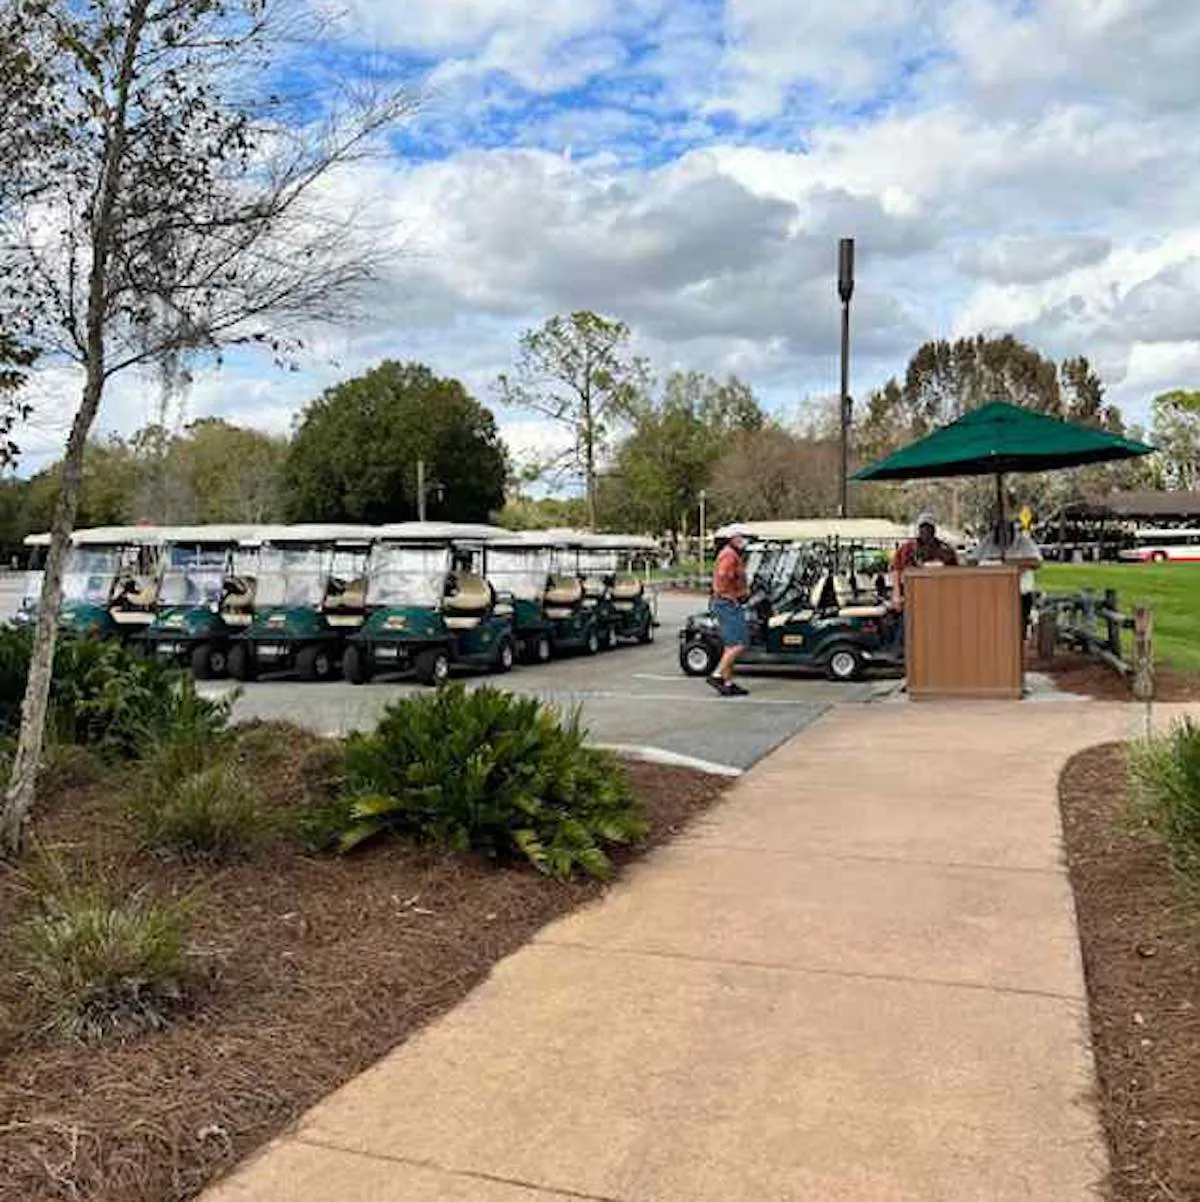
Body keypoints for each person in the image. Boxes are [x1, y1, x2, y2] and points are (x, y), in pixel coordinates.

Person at [968, 514, 1043, 635]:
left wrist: (1008, 563)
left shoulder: (1024, 542)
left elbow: (1037, 562)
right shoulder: (988, 540)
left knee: (1017, 628)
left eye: (1006, 533)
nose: (1003, 537)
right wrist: (991, 562)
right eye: (1000, 533)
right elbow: (971, 561)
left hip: (1019, 594)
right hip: (991, 592)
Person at [708, 532, 750, 697]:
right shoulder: (729, 556)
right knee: (740, 642)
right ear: (732, 539)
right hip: (728, 603)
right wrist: (734, 593)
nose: (743, 541)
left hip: (726, 602)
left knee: (730, 645)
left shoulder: (729, 553)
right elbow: (724, 575)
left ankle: (728, 682)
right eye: (740, 538)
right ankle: (717, 675)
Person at [890, 511, 958, 610]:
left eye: (929, 528)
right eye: (923, 527)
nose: (926, 531)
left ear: (934, 530)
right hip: (911, 596)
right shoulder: (907, 548)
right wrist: (896, 595)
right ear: (919, 529)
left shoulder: (946, 550)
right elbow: (896, 570)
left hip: (939, 597)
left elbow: (955, 573)